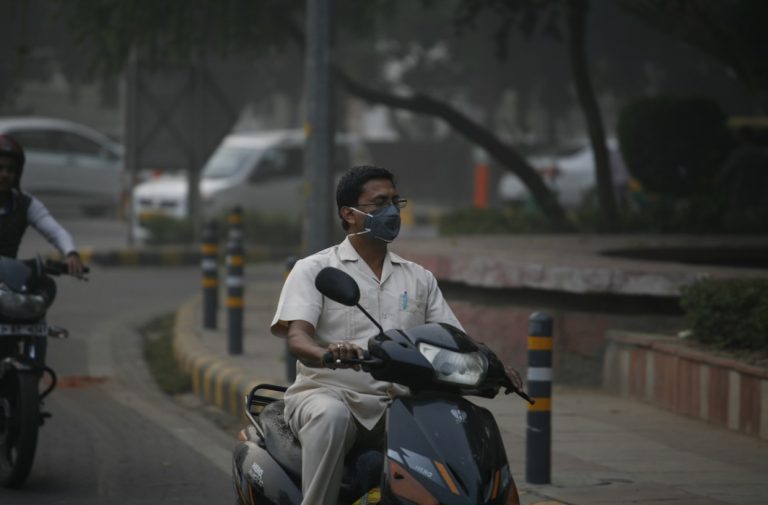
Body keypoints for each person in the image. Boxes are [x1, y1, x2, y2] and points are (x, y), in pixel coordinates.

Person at [270, 165, 523, 505]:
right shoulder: (315, 269)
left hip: (401, 404)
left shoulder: (419, 278)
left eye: (395, 201)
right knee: (331, 418)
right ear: (349, 214)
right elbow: (298, 338)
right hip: (331, 394)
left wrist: (492, 364)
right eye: (379, 203)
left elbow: (452, 338)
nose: (391, 211)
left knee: (461, 425)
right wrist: (330, 352)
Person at [0, 134, 84, 276]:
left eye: (10, 169)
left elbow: (56, 232)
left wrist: (71, 253)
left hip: (6, 284)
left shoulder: (24, 204)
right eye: (0, 168)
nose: (5, 174)